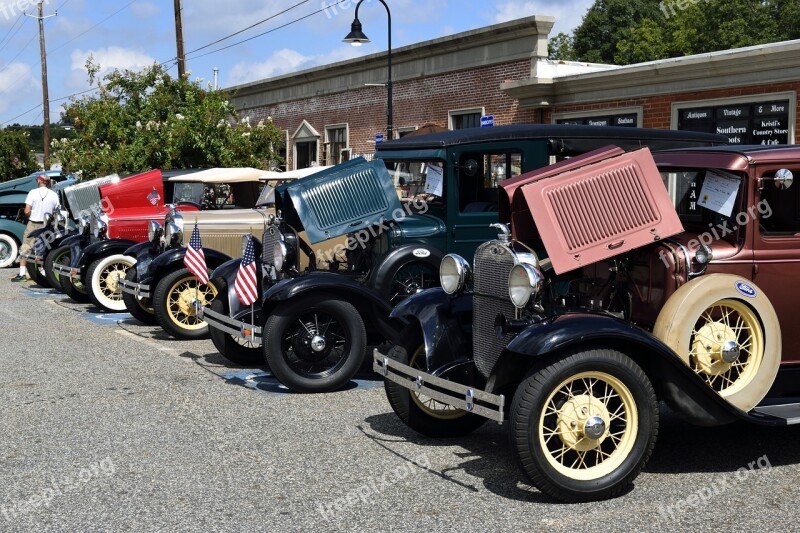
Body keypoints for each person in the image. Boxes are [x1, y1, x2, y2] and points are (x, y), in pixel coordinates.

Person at [12, 174, 60, 282]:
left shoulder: (32, 192)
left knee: (26, 248)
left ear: (39, 181)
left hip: (33, 224)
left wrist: (27, 215)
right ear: (48, 182)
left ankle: (22, 274)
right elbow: (56, 211)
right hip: (47, 225)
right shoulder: (54, 195)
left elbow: (27, 210)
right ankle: (45, 273)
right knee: (44, 249)